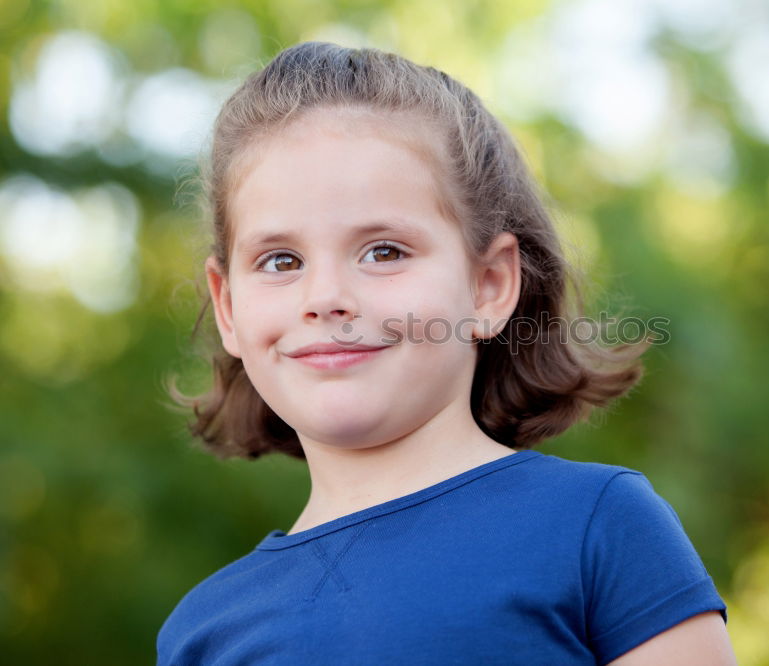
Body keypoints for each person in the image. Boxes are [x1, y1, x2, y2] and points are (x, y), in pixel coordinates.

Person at [158, 41, 737, 665]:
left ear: (488, 285)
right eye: (281, 261)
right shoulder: (202, 631)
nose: (324, 297)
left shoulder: (596, 526)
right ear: (228, 309)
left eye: (384, 251)